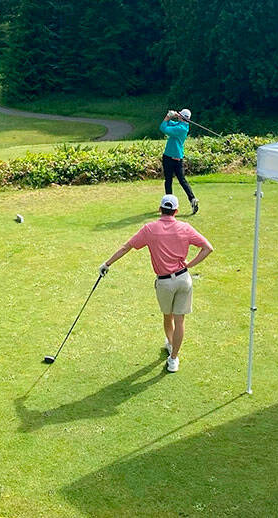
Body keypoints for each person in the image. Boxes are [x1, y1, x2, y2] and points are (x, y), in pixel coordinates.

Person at [100, 194, 213, 373]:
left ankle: (171, 345)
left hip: (165, 283)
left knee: (168, 317)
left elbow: (126, 247)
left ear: (160, 209)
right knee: (180, 320)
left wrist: (107, 264)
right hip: (184, 279)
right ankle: (174, 358)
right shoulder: (185, 227)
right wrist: (189, 264)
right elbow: (208, 248)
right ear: (176, 211)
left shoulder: (150, 229)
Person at [161, 109, 199, 215]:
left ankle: (171, 204)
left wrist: (168, 117)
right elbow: (170, 124)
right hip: (174, 156)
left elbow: (163, 127)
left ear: (183, 117)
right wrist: (173, 116)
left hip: (170, 157)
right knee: (179, 180)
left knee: (170, 180)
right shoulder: (180, 125)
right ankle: (189, 200)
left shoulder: (181, 129)